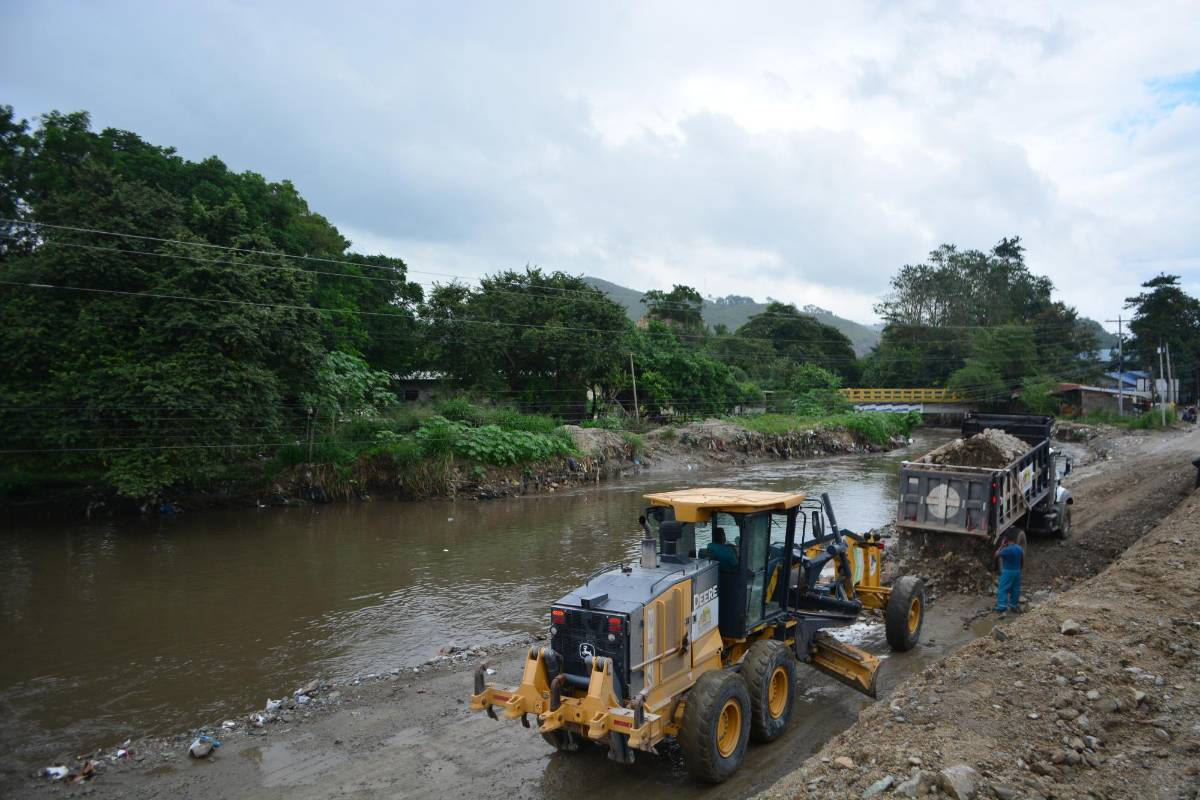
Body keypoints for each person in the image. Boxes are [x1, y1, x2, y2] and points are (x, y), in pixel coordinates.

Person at [993, 532, 1024, 616]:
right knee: (1015, 589)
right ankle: (1013, 605)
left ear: (1006, 540)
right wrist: (1020, 568)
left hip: (1008, 571)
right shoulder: (1019, 548)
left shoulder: (1007, 550)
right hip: (1017, 571)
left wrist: (1001, 546)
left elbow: (996, 555)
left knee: (1002, 588)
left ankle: (1001, 606)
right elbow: (1022, 560)